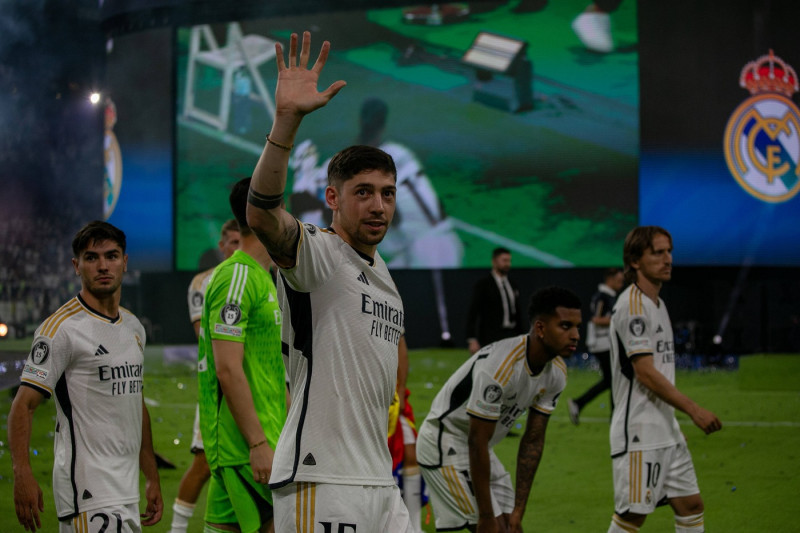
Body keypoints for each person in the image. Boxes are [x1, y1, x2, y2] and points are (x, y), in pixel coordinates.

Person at [246, 31, 413, 531]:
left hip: (378, 479)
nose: (378, 205)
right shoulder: (318, 254)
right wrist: (286, 123)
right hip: (322, 478)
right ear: (333, 199)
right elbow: (263, 216)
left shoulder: (383, 275)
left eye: (387, 192)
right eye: (363, 192)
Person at [9, 220, 163, 531]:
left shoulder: (134, 327)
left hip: (126, 488)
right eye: (91, 258)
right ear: (76, 266)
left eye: (112, 255)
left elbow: (136, 403)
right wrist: (22, 472)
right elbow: (22, 406)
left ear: (125, 262)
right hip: (88, 492)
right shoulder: (61, 330)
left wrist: (151, 475)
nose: (103, 265)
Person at [417, 286, 582, 532]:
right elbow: (476, 440)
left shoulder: (556, 373)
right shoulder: (501, 366)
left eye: (578, 326)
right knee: (491, 527)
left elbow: (533, 441)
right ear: (540, 328)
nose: (576, 335)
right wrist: (485, 516)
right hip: (444, 443)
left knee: (510, 527)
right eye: (566, 326)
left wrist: (518, 510)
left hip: (480, 448)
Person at [606, 226, 722, 533]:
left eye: (669, 251)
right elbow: (645, 373)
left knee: (691, 506)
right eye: (657, 252)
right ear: (634, 261)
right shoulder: (632, 305)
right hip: (640, 431)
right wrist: (694, 410)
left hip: (666, 429)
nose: (667, 259)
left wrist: (673, 423)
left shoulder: (657, 302)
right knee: (632, 516)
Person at [197, 178, 287, 532]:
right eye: (282, 206)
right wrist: (258, 443)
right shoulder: (237, 276)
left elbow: (265, 369)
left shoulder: (263, 277)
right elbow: (228, 369)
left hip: (257, 439)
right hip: (245, 446)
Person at [169, 219, 240, 533]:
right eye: (233, 243)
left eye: (244, 241)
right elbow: (204, 336)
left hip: (260, 388)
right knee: (204, 463)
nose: (239, 249)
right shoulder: (204, 282)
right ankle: (177, 529)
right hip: (217, 386)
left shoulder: (264, 277)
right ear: (222, 246)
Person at [567, 267, 624, 425]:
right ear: (610, 279)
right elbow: (596, 319)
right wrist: (618, 320)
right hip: (602, 343)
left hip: (605, 342)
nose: (621, 284)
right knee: (614, 379)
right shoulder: (603, 296)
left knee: (610, 380)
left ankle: (579, 403)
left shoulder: (608, 295)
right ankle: (615, 417)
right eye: (619, 280)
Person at [389, 336, 426, 533]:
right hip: (363, 398)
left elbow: (400, 343)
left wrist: (401, 390)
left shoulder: (392, 305)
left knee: (411, 455)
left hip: (392, 399)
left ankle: (416, 527)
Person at [465, 247, 523, 355]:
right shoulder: (484, 284)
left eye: (509, 260)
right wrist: (472, 339)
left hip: (512, 334)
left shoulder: (512, 284)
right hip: (491, 336)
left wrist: (522, 336)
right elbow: (473, 312)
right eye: (504, 260)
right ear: (494, 262)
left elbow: (517, 312)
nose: (507, 264)